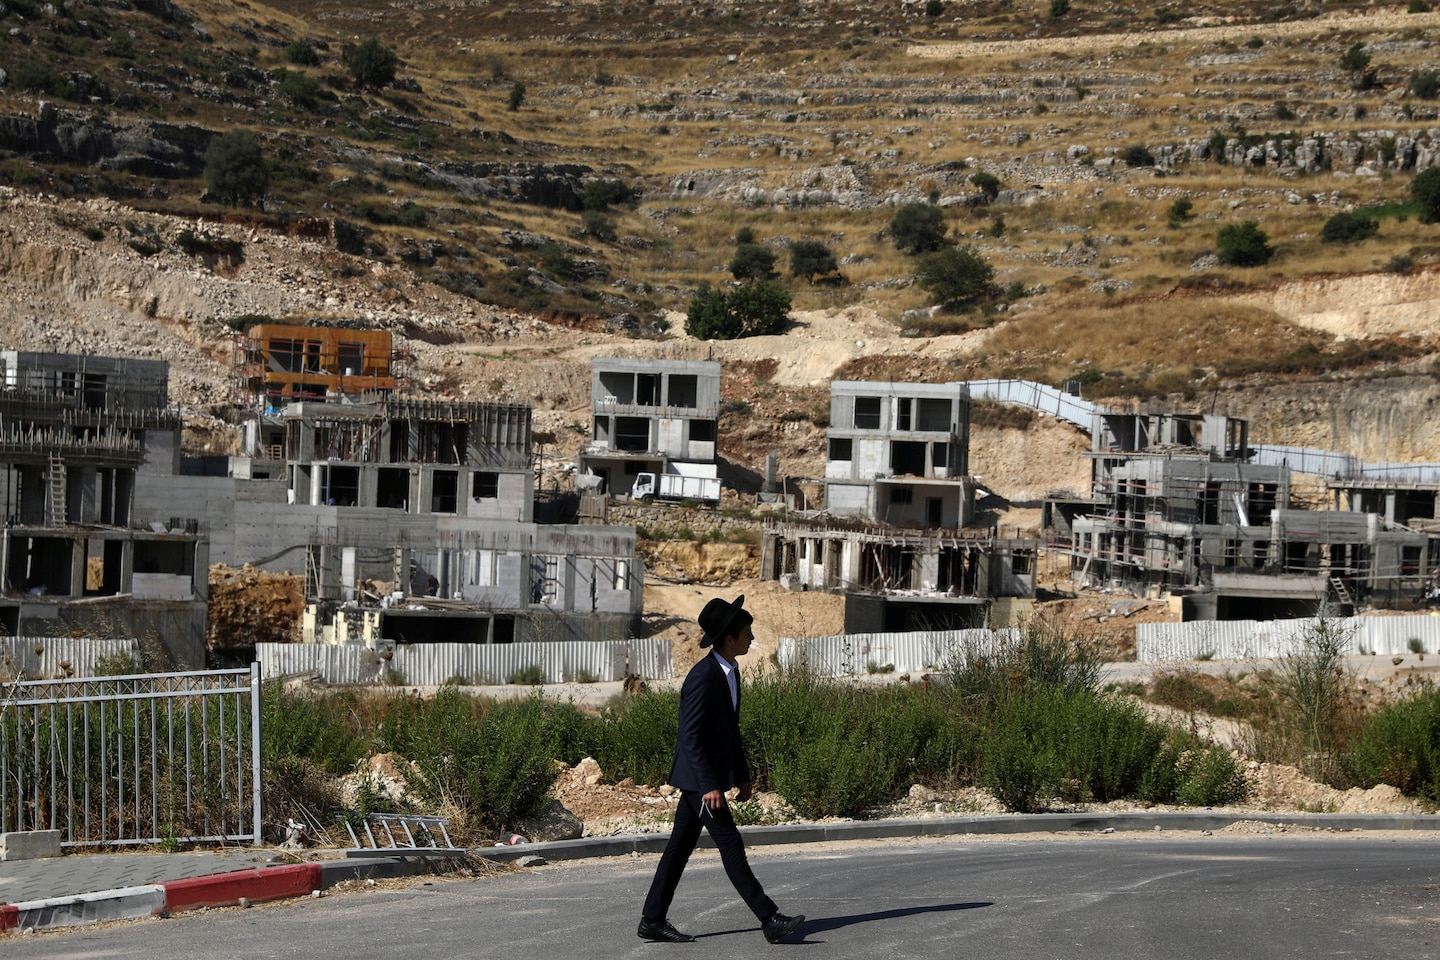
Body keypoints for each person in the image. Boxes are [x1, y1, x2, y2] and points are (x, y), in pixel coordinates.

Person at [637, 595, 805, 945]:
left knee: (678, 849)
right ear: (728, 639)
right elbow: (691, 737)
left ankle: (652, 919)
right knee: (730, 843)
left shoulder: (729, 671)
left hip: (706, 779)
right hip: (701, 781)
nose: (751, 638)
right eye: (746, 633)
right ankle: (769, 918)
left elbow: (730, 730)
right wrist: (710, 784)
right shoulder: (703, 677)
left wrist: (742, 774)